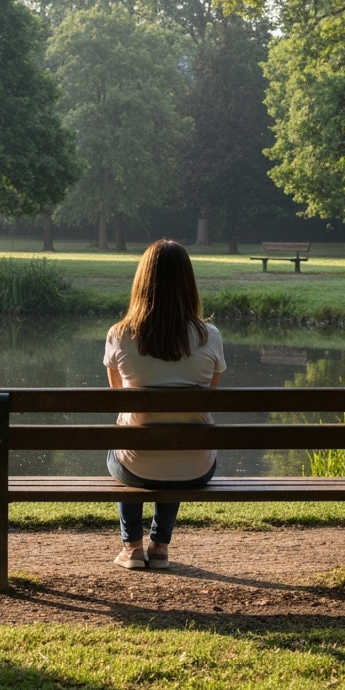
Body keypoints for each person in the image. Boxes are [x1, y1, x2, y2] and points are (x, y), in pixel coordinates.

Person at [103, 239, 225, 570]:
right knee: (180, 434)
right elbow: (208, 398)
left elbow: (118, 399)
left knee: (126, 435)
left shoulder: (119, 334)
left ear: (142, 281)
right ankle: (159, 548)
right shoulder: (209, 336)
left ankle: (132, 548)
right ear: (189, 282)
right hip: (196, 467)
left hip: (136, 465)